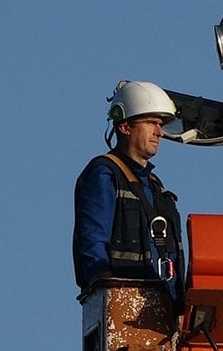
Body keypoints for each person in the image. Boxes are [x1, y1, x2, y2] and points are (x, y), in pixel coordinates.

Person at [73, 81, 185, 307]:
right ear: (125, 127)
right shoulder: (104, 174)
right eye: (151, 122)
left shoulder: (155, 187)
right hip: (126, 305)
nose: (159, 132)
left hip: (166, 307)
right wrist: (103, 283)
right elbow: (93, 238)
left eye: (161, 124)